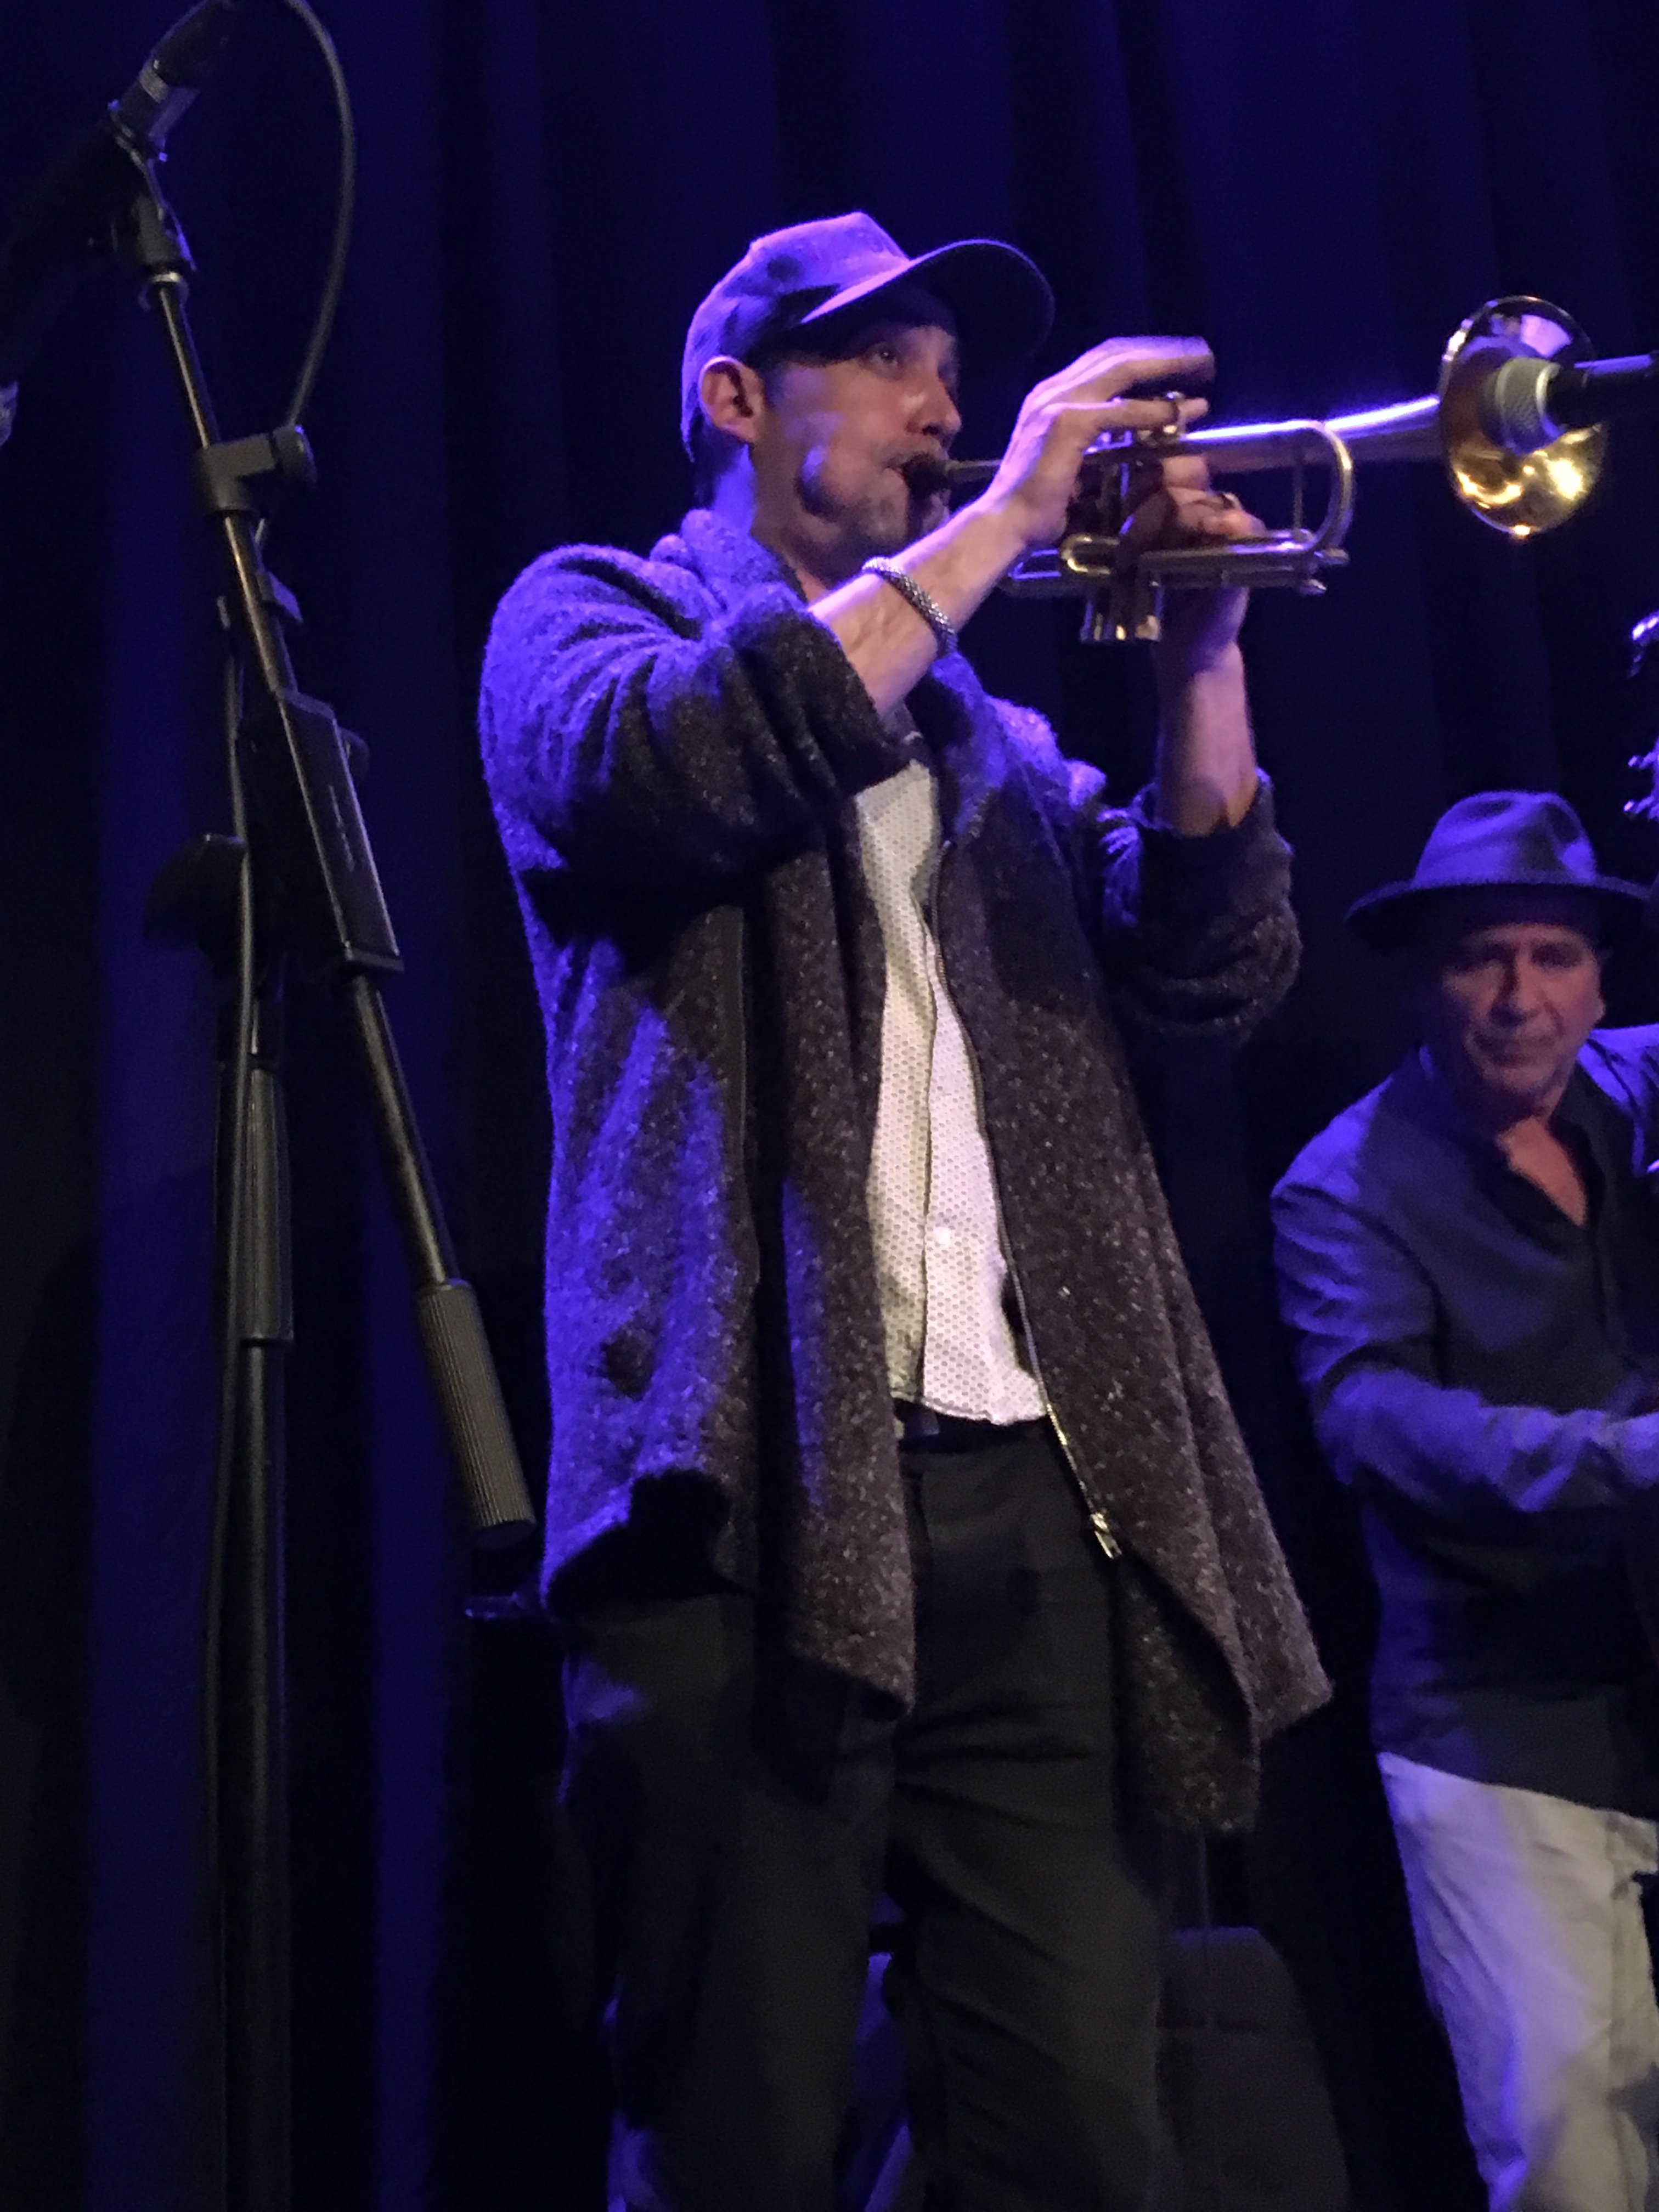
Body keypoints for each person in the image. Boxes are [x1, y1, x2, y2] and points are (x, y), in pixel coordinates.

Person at [480, 211, 1326, 2212]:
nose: (948, 413)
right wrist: (1011, 515)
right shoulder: (591, 616)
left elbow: (1204, 969)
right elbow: (685, 767)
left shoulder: (996, 745)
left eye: (960, 378)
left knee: (1083, 2149)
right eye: (887, 362)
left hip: (1035, 1500)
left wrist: (1205, 655)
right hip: (749, 1498)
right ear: (736, 398)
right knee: (740, 2140)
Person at [1273, 791, 1659, 2212]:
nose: (1519, 997)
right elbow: (1371, 1421)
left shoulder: (1637, 1089)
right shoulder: (1343, 1186)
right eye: (1480, 958)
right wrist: (1629, 1460)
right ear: (1422, 984)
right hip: (1504, 1724)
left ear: (1601, 981)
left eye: (1555, 957)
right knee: (1568, 2148)